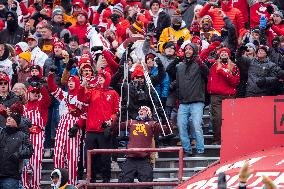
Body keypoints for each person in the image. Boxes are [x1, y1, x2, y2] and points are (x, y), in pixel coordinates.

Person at [71, 70, 119, 183]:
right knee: (89, 158)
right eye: (99, 77)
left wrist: (110, 123)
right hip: (91, 130)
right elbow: (81, 98)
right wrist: (82, 86)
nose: (100, 78)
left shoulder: (113, 93)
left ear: (107, 79)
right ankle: (90, 179)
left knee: (105, 157)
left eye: (103, 77)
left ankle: (106, 180)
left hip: (104, 130)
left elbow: (116, 112)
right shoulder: (93, 91)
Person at [115, 106, 171, 185]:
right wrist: (120, 115)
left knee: (147, 183)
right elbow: (115, 128)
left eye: (144, 110)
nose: (141, 111)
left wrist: (164, 116)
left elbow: (168, 130)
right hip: (130, 158)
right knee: (123, 183)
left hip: (144, 159)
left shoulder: (152, 124)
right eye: (140, 110)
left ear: (148, 113)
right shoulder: (131, 122)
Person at [48, 72, 84, 184]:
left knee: (72, 157)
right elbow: (52, 87)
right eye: (69, 82)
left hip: (74, 126)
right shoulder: (64, 95)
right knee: (58, 154)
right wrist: (50, 76)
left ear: (77, 83)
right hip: (62, 125)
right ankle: (58, 184)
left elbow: (85, 113)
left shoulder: (82, 96)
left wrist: (78, 125)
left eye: (73, 81)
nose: (70, 83)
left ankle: (71, 184)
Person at [176, 43, 209, 156]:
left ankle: (200, 150)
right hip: (183, 102)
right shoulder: (180, 66)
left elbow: (207, 73)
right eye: (186, 49)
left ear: (194, 51)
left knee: (196, 125)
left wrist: (200, 62)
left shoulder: (199, 64)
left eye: (190, 49)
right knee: (181, 126)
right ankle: (187, 150)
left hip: (197, 101)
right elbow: (178, 84)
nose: (188, 51)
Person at [22, 84, 51, 189]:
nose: (35, 94)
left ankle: (36, 185)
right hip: (25, 136)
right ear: (28, 94)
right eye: (33, 92)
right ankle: (25, 185)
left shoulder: (41, 104)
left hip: (38, 135)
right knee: (24, 163)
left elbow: (47, 99)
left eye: (37, 92)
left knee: (36, 162)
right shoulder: (23, 107)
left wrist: (42, 87)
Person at [0, 102, 33, 189]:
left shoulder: (22, 135)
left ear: (17, 122)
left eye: (12, 118)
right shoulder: (1, 132)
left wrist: (18, 154)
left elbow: (29, 151)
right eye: (9, 117)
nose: (9, 119)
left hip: (11, 176)